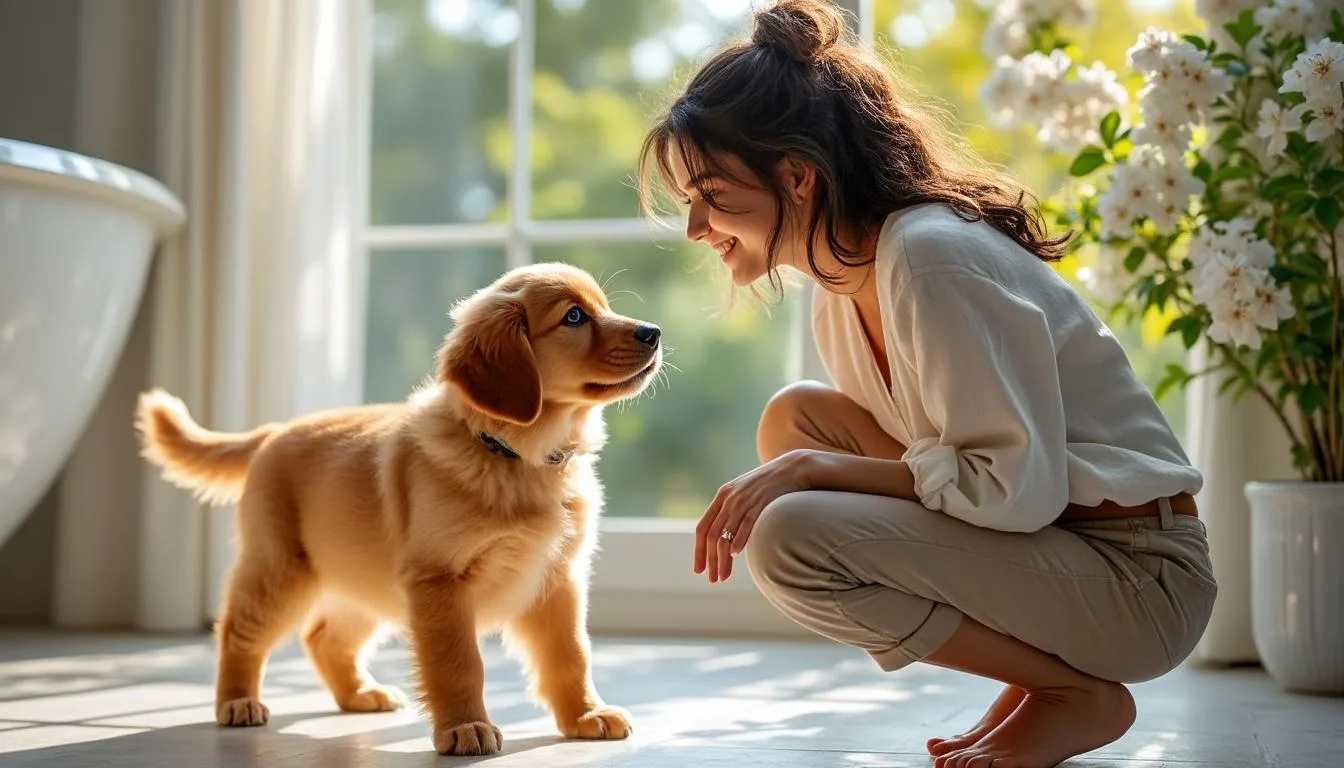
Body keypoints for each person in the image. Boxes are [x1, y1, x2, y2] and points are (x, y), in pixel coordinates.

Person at [636, 1, 1217, 767]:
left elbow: (1011, 491)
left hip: (1139, 580)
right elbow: (966, 473)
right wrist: (805, 458)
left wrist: (811, 471)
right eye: (689, 202)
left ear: (799, 177)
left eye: (712, 194)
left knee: (788, 536)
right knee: (796, 421)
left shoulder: (929, 255)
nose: (696, 227)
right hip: (1060, 542)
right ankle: (1042, 681)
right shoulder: (843, 280)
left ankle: (1075, 694)